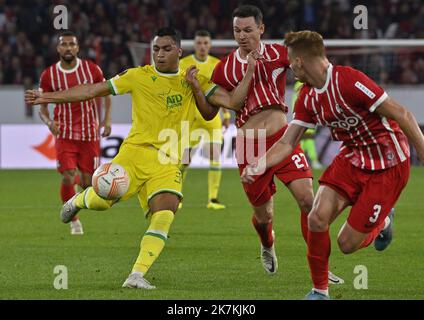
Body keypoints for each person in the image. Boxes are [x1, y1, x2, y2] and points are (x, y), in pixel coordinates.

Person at [26, 27, 256, 289]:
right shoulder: (138, 76)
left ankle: (136, 275)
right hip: (134, 155)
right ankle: (79, 200)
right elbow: (92, 90)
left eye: (166, 49)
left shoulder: (194, 78)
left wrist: (246, 72)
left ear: (179, 52)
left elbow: (230, 104)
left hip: (168, 162)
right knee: (103, 202)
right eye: (156, 49)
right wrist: (48, 97)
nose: (159, 54)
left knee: (166, 213)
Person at [242, 30, 424, 300]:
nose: (289, 66)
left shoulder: (349, 80)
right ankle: (320, 292)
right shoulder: (307, 96)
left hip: (387, 164)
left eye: (291, 60)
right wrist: (260, 164)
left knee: (347, 244)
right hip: (351, 158)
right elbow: (286, 143)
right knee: (316, 217)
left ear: (301, 61)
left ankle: (383, 220)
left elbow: (403, 114)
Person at [211, 5, 343, 284]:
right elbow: (220, 105)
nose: (242, 36)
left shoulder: (279, 54)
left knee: (308, 200)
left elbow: (311, 67)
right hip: (249, 144)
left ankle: (320, 267)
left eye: (248, 30)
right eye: (237, 31)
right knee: (264, 213)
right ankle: (267, 243)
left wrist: (309, 93)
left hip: (283, 137)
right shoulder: (224, 68)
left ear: (261, 29)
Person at [38, 31, 112, 235]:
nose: (68, 48)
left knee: (89, 183)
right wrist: (49, 122)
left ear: (78, 48)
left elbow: (106, 93)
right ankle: (74, 221)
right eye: (64, 44)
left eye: (72, 44)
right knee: (68, 176)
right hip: (65, 134)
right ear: (58, 48)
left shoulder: (91, 70)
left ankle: (78, 183)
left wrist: (107, 119)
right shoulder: (49, 75)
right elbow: (42, 106)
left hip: (90, 135)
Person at [179, 30, 230, 210]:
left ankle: (213, 199)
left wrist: (226, 115)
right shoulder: (183, 64)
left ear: (210, 45)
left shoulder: (217, 65)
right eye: (199, 43)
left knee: (215, 157)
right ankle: (177, 196)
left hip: (212, 118)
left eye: (205, 43)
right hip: (191, 118)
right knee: (184, 160)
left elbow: (221, 92)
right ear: (194, 44)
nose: (202, 46)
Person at [291, 80, 322, 169]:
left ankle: (302, 162)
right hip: (306, 121)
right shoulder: (304, 95)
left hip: (299, 122)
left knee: (303, 143)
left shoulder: (296, 95)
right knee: (308, 142)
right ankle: (313, 162)